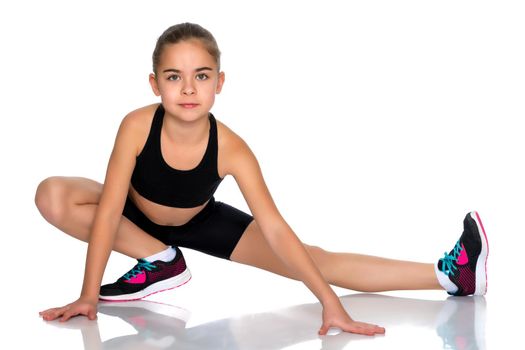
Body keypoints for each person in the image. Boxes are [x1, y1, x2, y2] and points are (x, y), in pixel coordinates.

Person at [36, 22, 489, 336]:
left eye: (202, 76)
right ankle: (159, 259)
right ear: (155, 84)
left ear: (220, 82)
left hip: (199, 221)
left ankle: (450, 275)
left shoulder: (231, 147)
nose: (189, 89)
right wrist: (88, 296)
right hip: (134, 218)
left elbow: (273, 226)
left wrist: (330, 302)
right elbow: (111, 206)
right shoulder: (136, 126)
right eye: (175, 77)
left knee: (315, 259)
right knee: (52, 194)